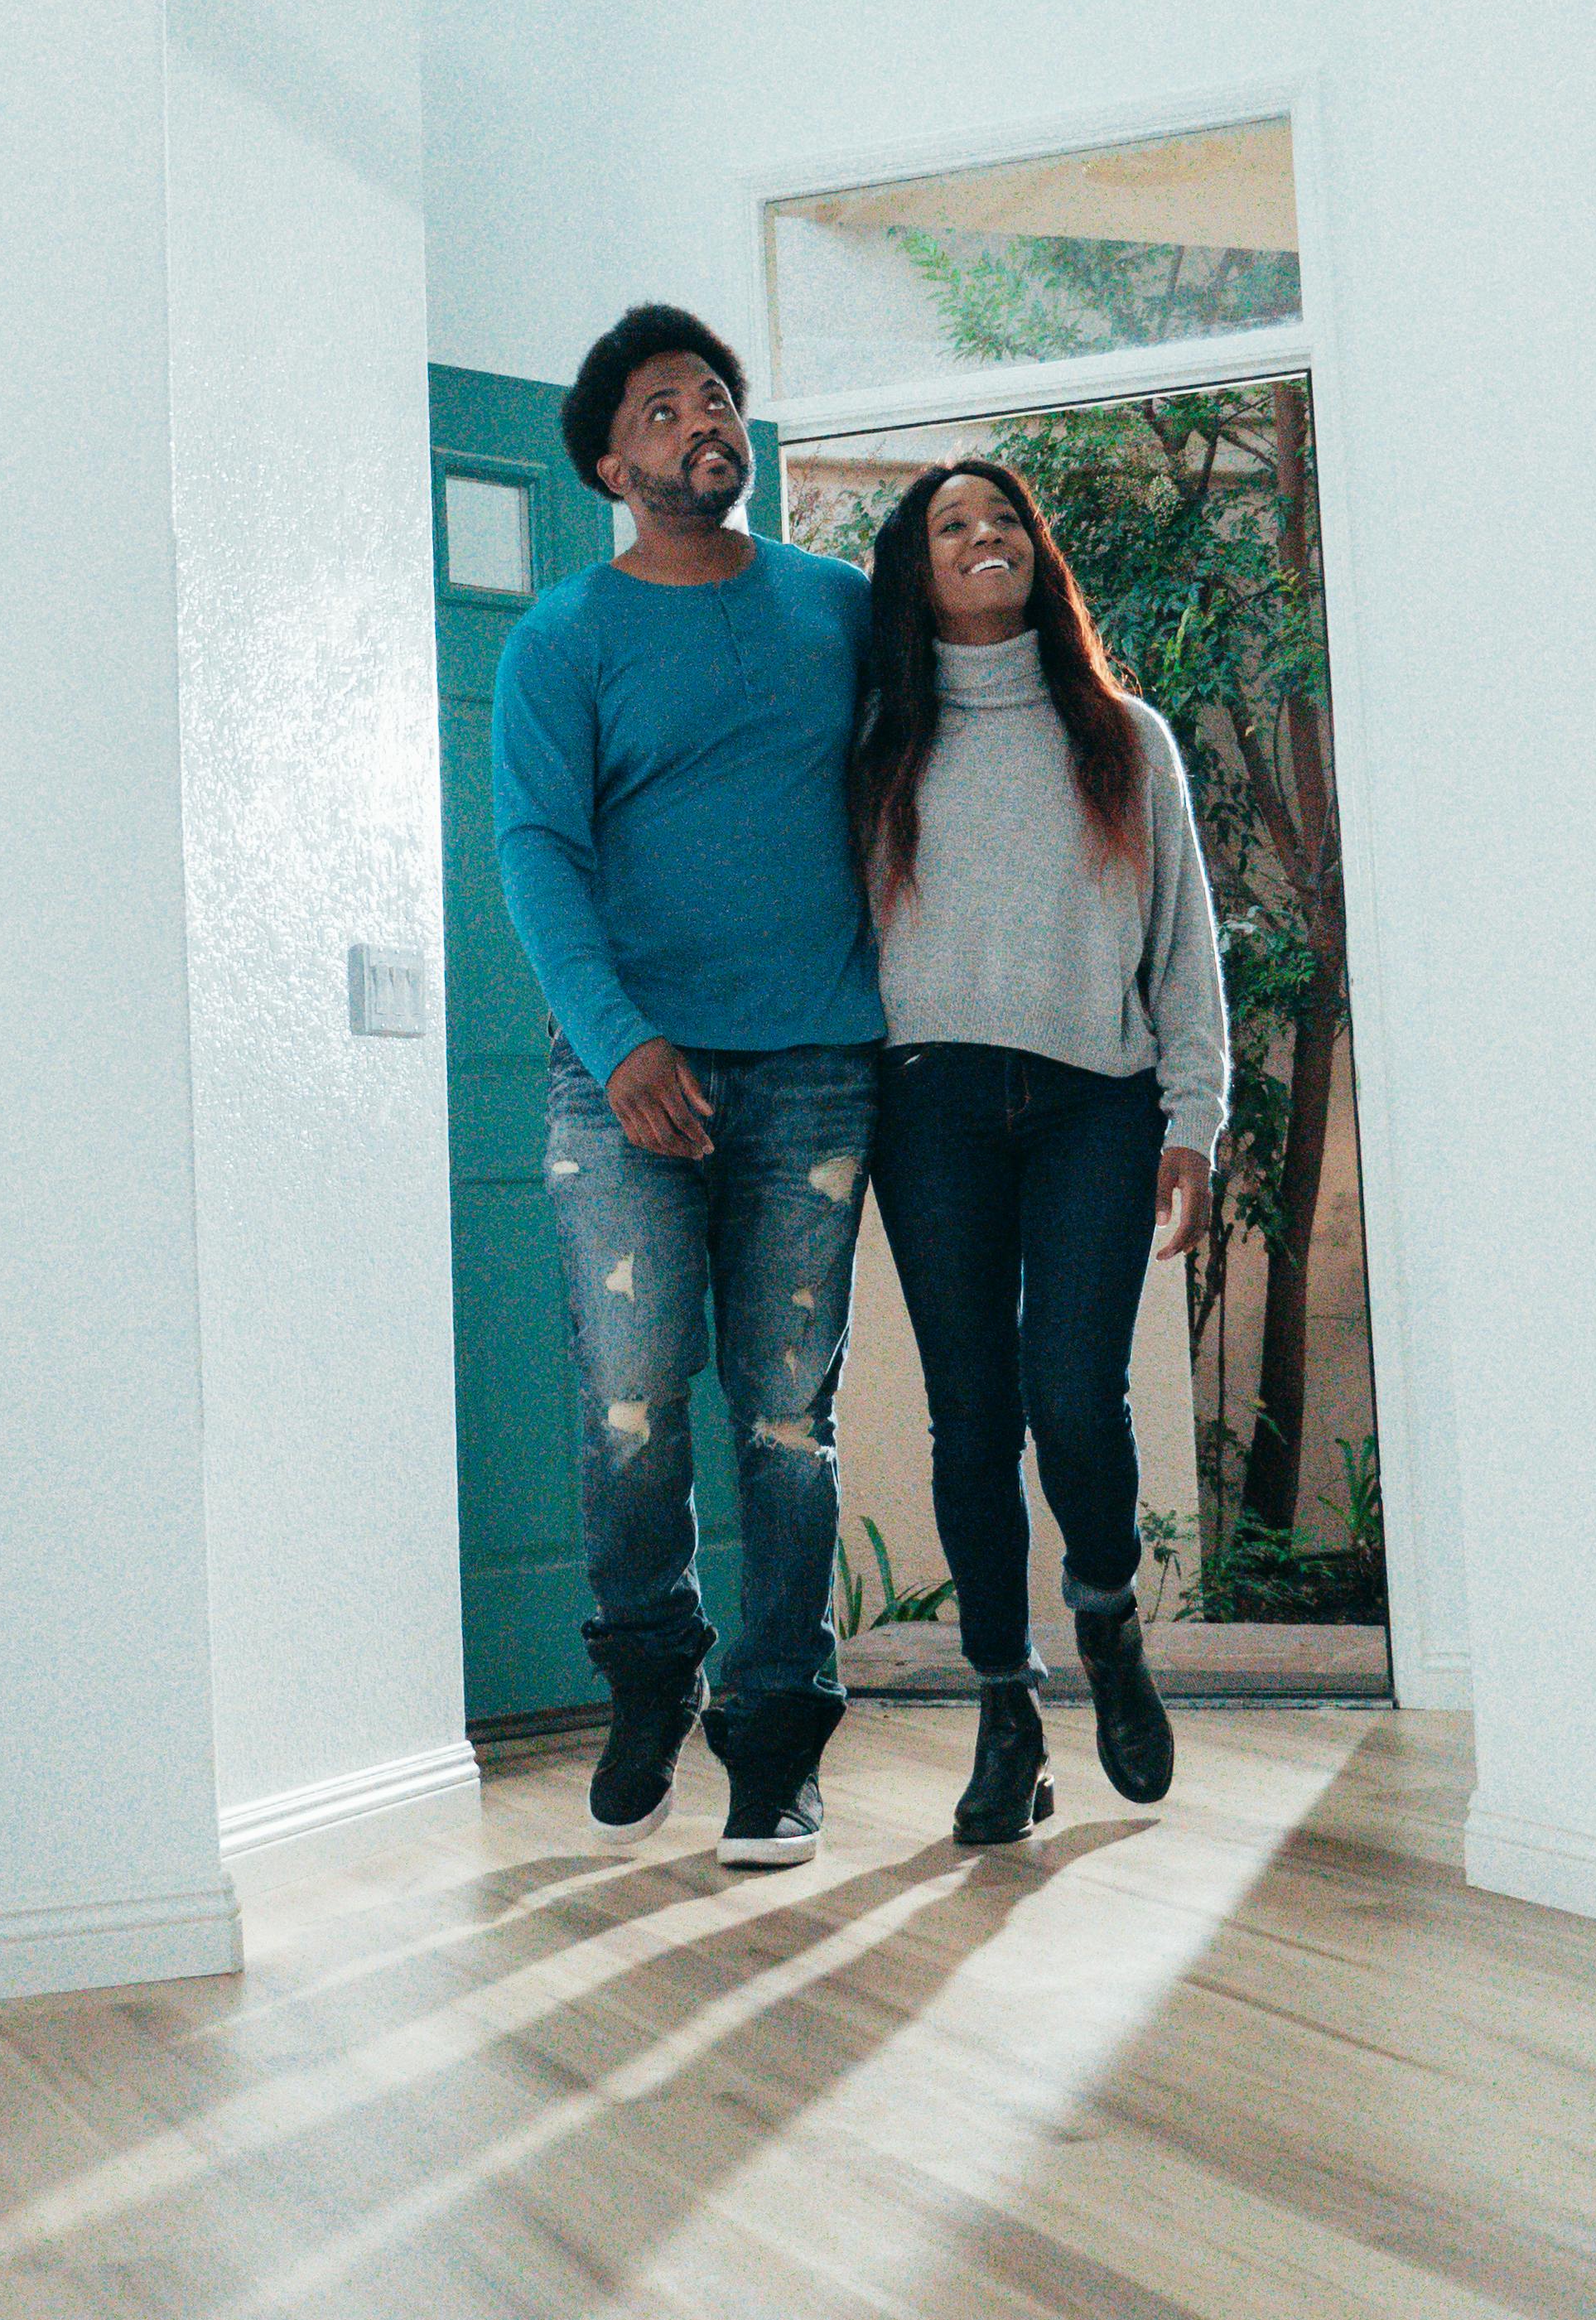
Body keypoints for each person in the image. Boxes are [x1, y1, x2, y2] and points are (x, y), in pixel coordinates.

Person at [493, 304, 883, 1868]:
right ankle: (654, 1674)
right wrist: (621, 1039)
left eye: (716, 396)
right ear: (610, 458)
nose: (700, 420)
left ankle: (777, 1738)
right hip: (622, 1080)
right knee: (636, 1404)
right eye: (662, 407)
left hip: (815, 1074)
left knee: (789, 1420)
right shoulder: (563, 637)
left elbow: (950, 745)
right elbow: (537, 850)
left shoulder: (841, 607)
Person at [849, 457, 1230, 1845]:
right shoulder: (881, 740)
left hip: (1095, 1103)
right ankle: (1006, 1711)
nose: (985, 535)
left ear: (1037, 553)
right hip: (931, 1103)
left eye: (1005, 516)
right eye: (954, 524)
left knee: (1074, 1398)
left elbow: (1186, 950)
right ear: (919, 568)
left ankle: (1106, 1619)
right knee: (973, 1416)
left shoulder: (1125, 738)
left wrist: (1194, 1118)